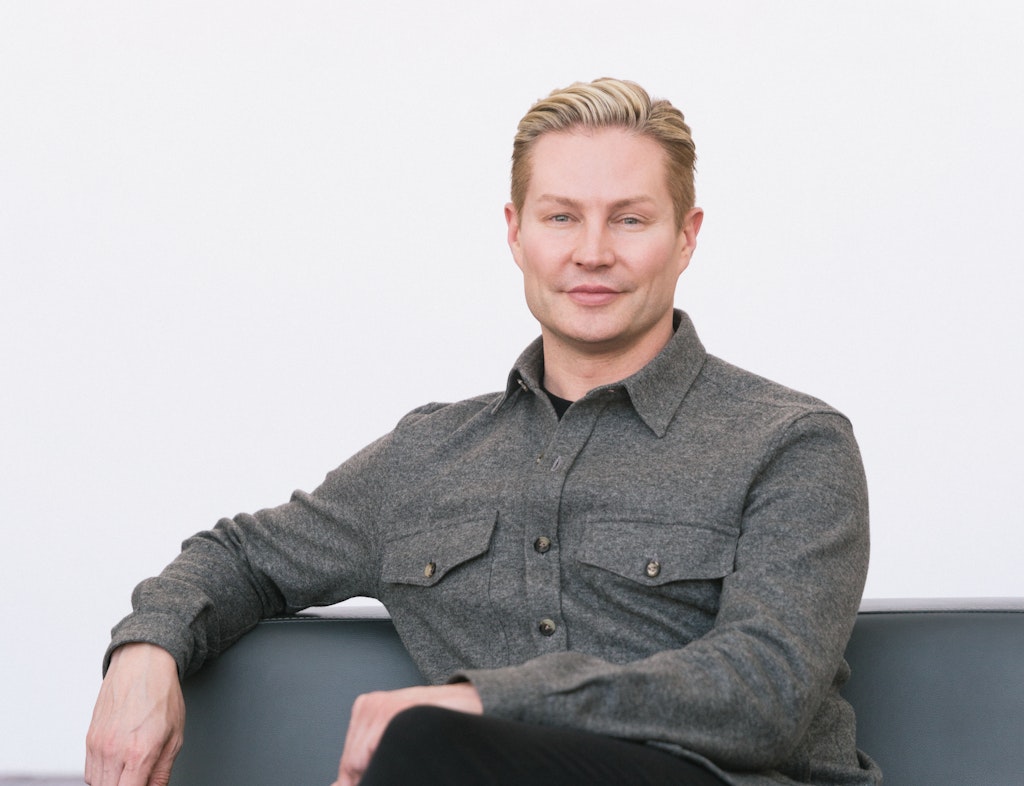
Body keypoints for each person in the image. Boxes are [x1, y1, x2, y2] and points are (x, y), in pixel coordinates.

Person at [85, 77, 881, 786]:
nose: (593, 252)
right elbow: (241, 558)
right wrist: (145, 651)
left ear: (686, 236)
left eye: (630, 219)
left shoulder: (792, 443)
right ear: (515, 232)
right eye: (561, 217)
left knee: (427, 744)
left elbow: (765, 689)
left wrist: (482, 701)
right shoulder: (427, 458)